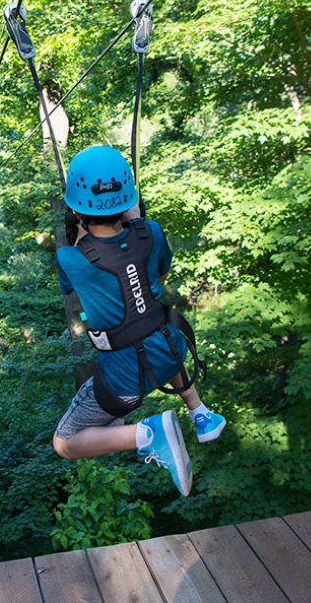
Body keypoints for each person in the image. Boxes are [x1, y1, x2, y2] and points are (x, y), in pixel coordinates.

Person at [52, 145, 226, 497]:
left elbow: (74, 285)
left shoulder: (70, 258)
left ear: (75, 207)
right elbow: (159, 268)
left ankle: (148, 434)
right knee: (150, 325)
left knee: (65, 443)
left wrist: (82, 233)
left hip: (126, 379)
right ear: (130, 197)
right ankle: (199, 411)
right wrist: (137, 221)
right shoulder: (152, 232)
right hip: (171, 347)